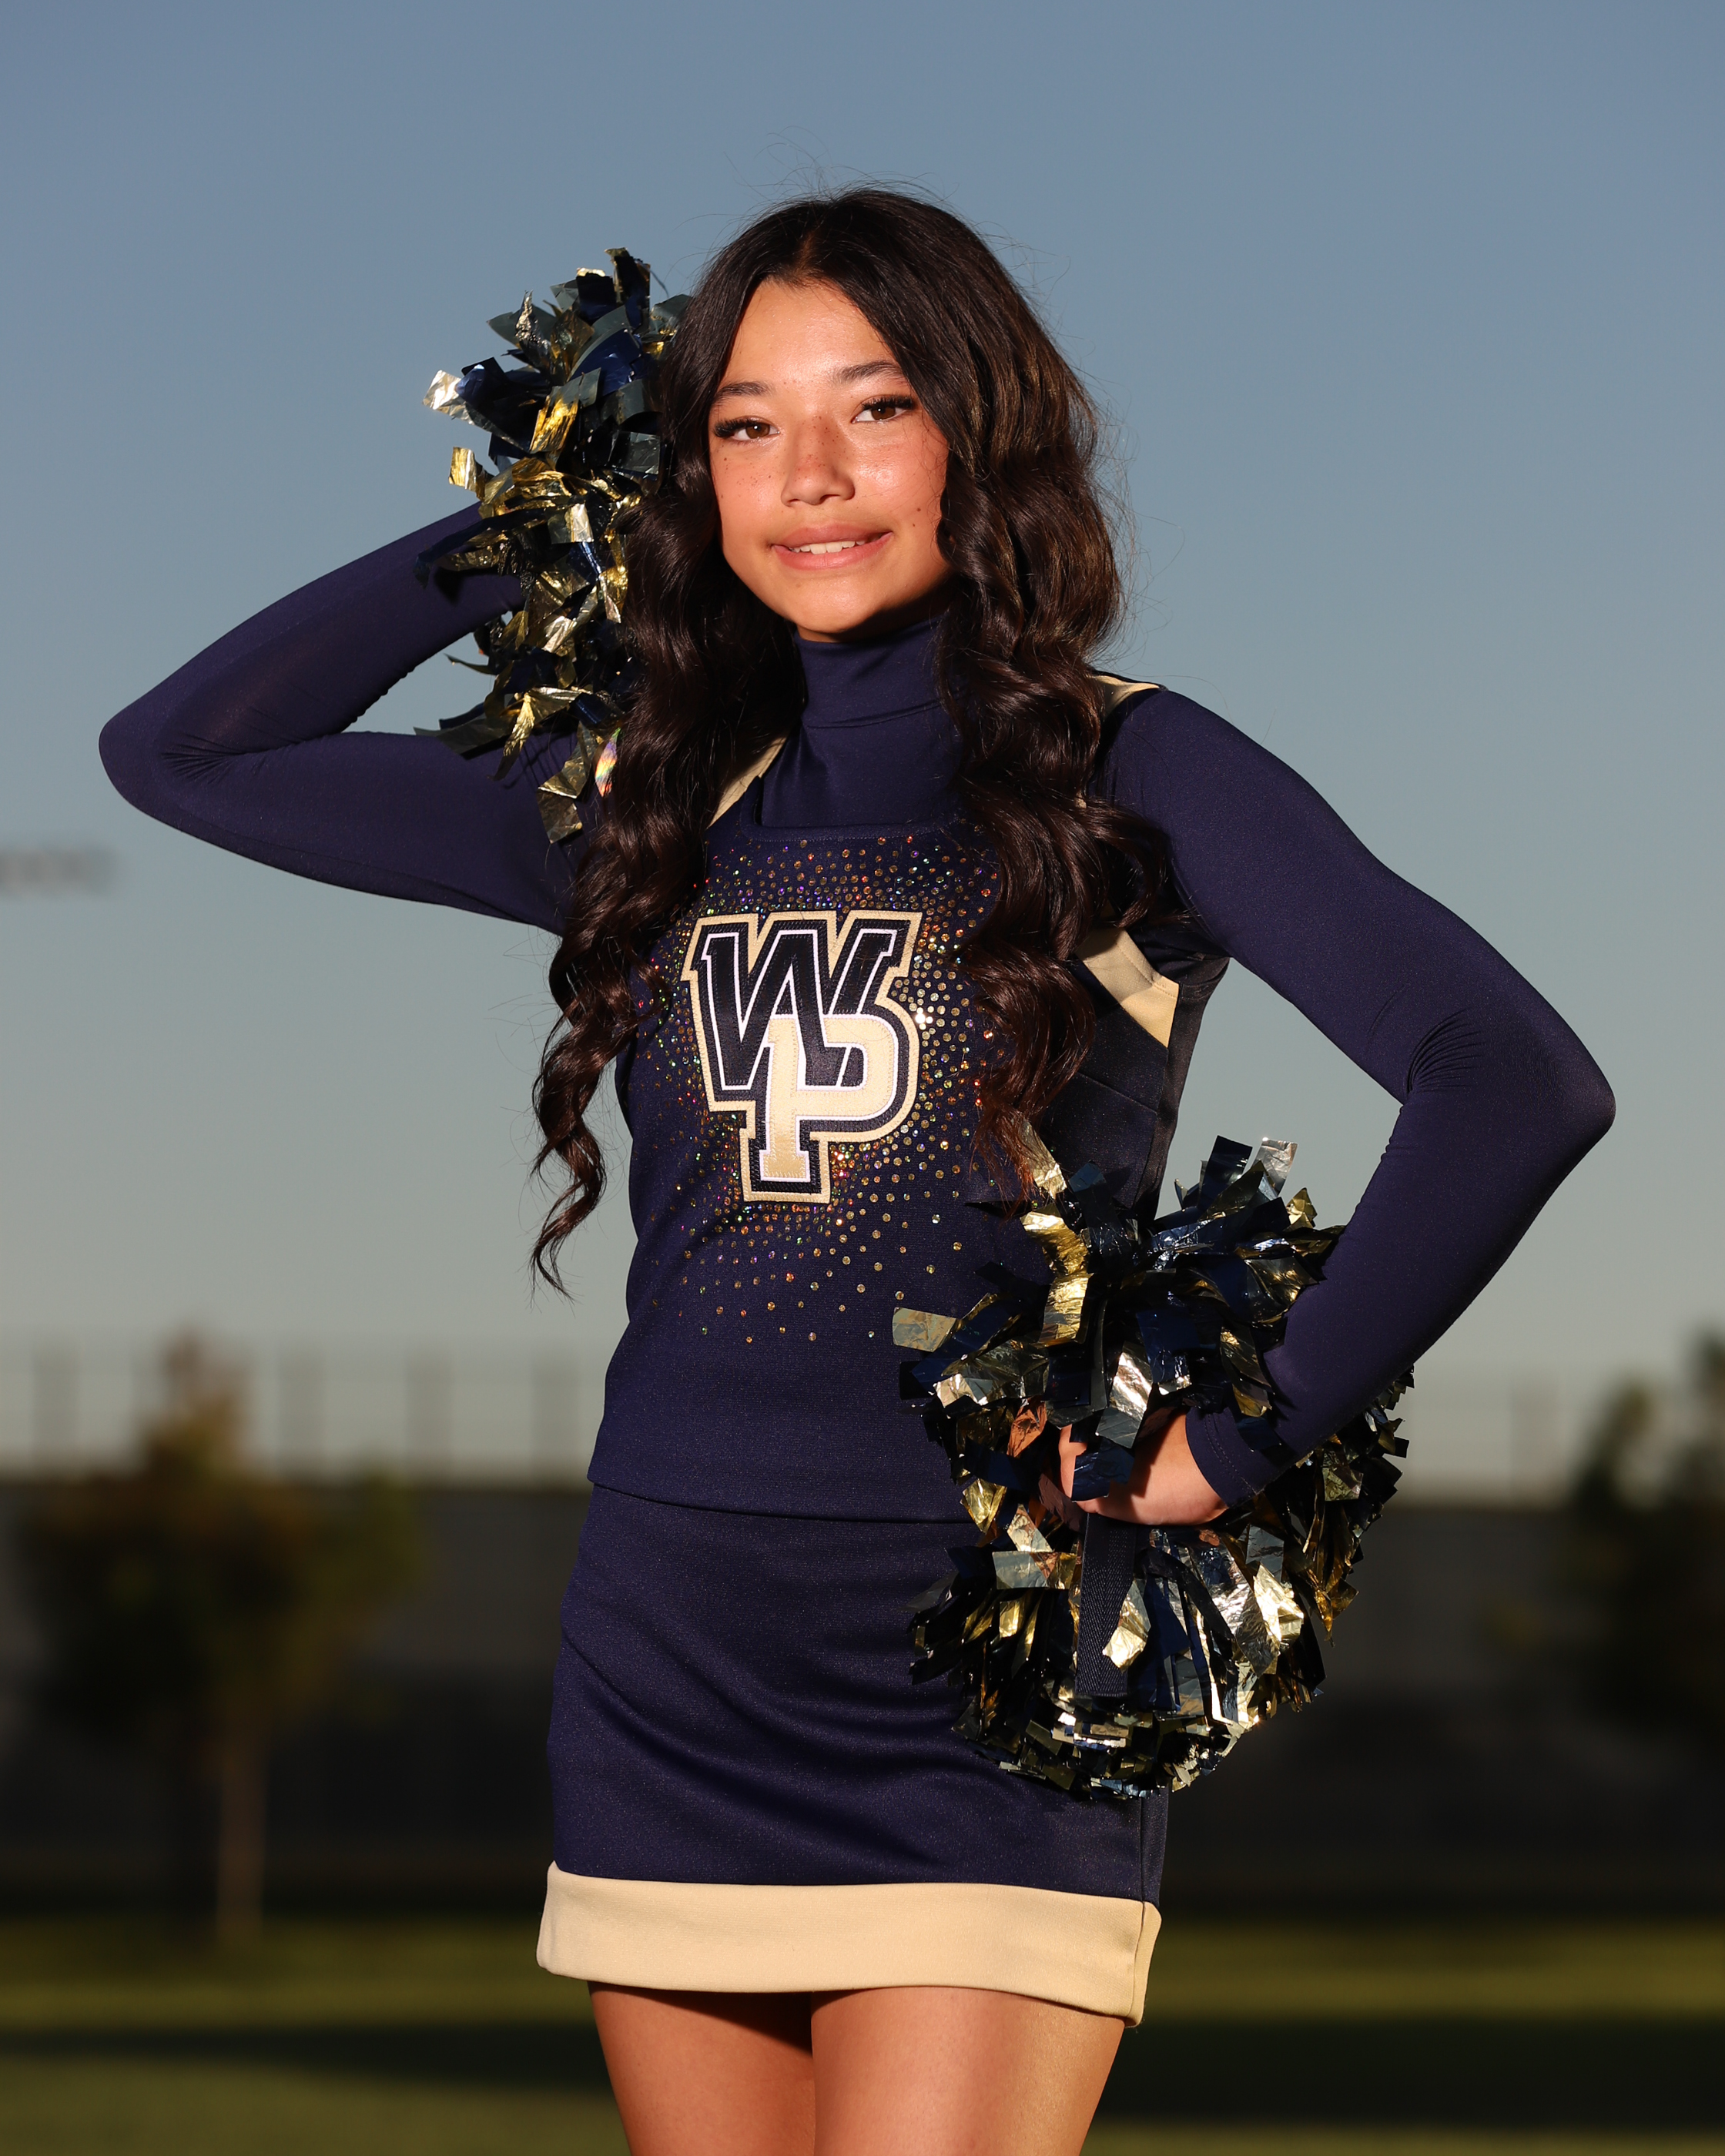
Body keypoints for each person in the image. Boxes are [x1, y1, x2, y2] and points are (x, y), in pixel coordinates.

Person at [101, 189, 1613, 2155]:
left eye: (873, 407)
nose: (807, 474)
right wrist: (535, 513)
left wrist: (1246, 1436)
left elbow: (1510, 1076)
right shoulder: (650, 799)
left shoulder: (1129, 769)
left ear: (982, 432)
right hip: (672, 1661)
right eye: (745, 423)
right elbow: (185, 754)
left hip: (971, 1687)